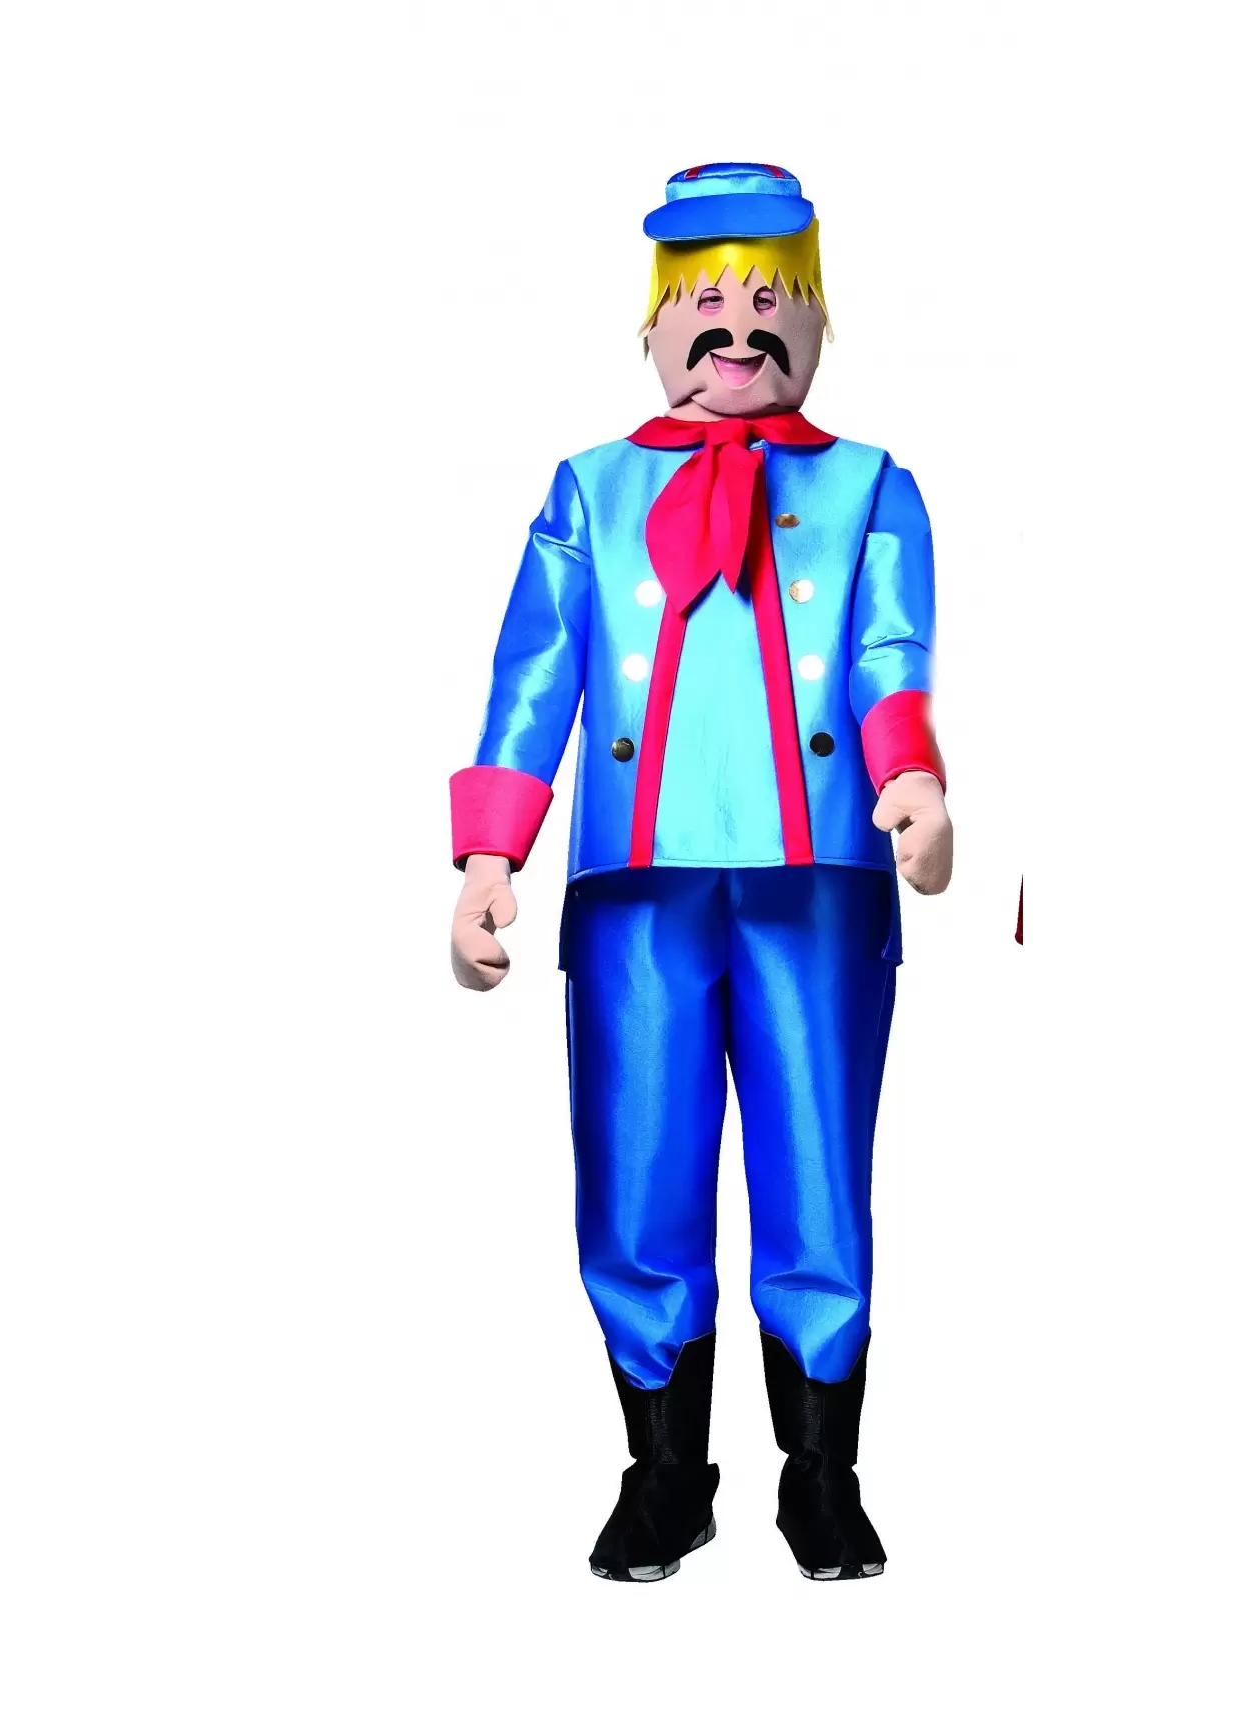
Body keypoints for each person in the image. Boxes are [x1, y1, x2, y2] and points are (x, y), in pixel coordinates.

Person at [450, 163, 953, 1582]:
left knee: (820, 1168)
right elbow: (535, 671)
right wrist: (490, 849)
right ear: (657, 328)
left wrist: (913, 779)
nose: (741, 329)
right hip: (634, 885)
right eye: (709, 303)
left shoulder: (870, 485)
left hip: (818, 870)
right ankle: (666, 1471)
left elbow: (890, 650)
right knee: (639, 1170)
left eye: (772, 299)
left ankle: (823, 1474)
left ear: (818, 320)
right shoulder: (592, 490)